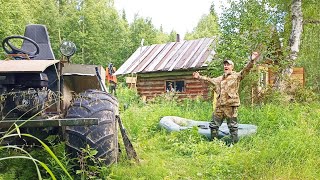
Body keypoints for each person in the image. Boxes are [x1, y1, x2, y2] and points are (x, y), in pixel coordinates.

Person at [193, 52, 260, 143]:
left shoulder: (236, 76)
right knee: (213, 125)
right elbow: (209, 80)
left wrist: (252, 60)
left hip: (230, 106)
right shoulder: (219, 79)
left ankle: (234, 144)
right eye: (225, 64)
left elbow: (246, 69)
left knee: (232, 127)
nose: (226, 66)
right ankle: (214, 143)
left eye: (228, 64)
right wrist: (199, 77)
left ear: (232, 67)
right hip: (220, 106)